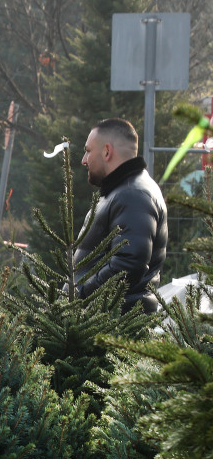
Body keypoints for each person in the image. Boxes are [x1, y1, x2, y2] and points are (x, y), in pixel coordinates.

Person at [74, 118, 167, 313]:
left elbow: (128, 264)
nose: (84, 160)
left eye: (88, 151)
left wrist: (79, 296)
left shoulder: (133, 195)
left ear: (107, 151)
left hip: (116, 323)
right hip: (103, 320)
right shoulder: (121, 191)